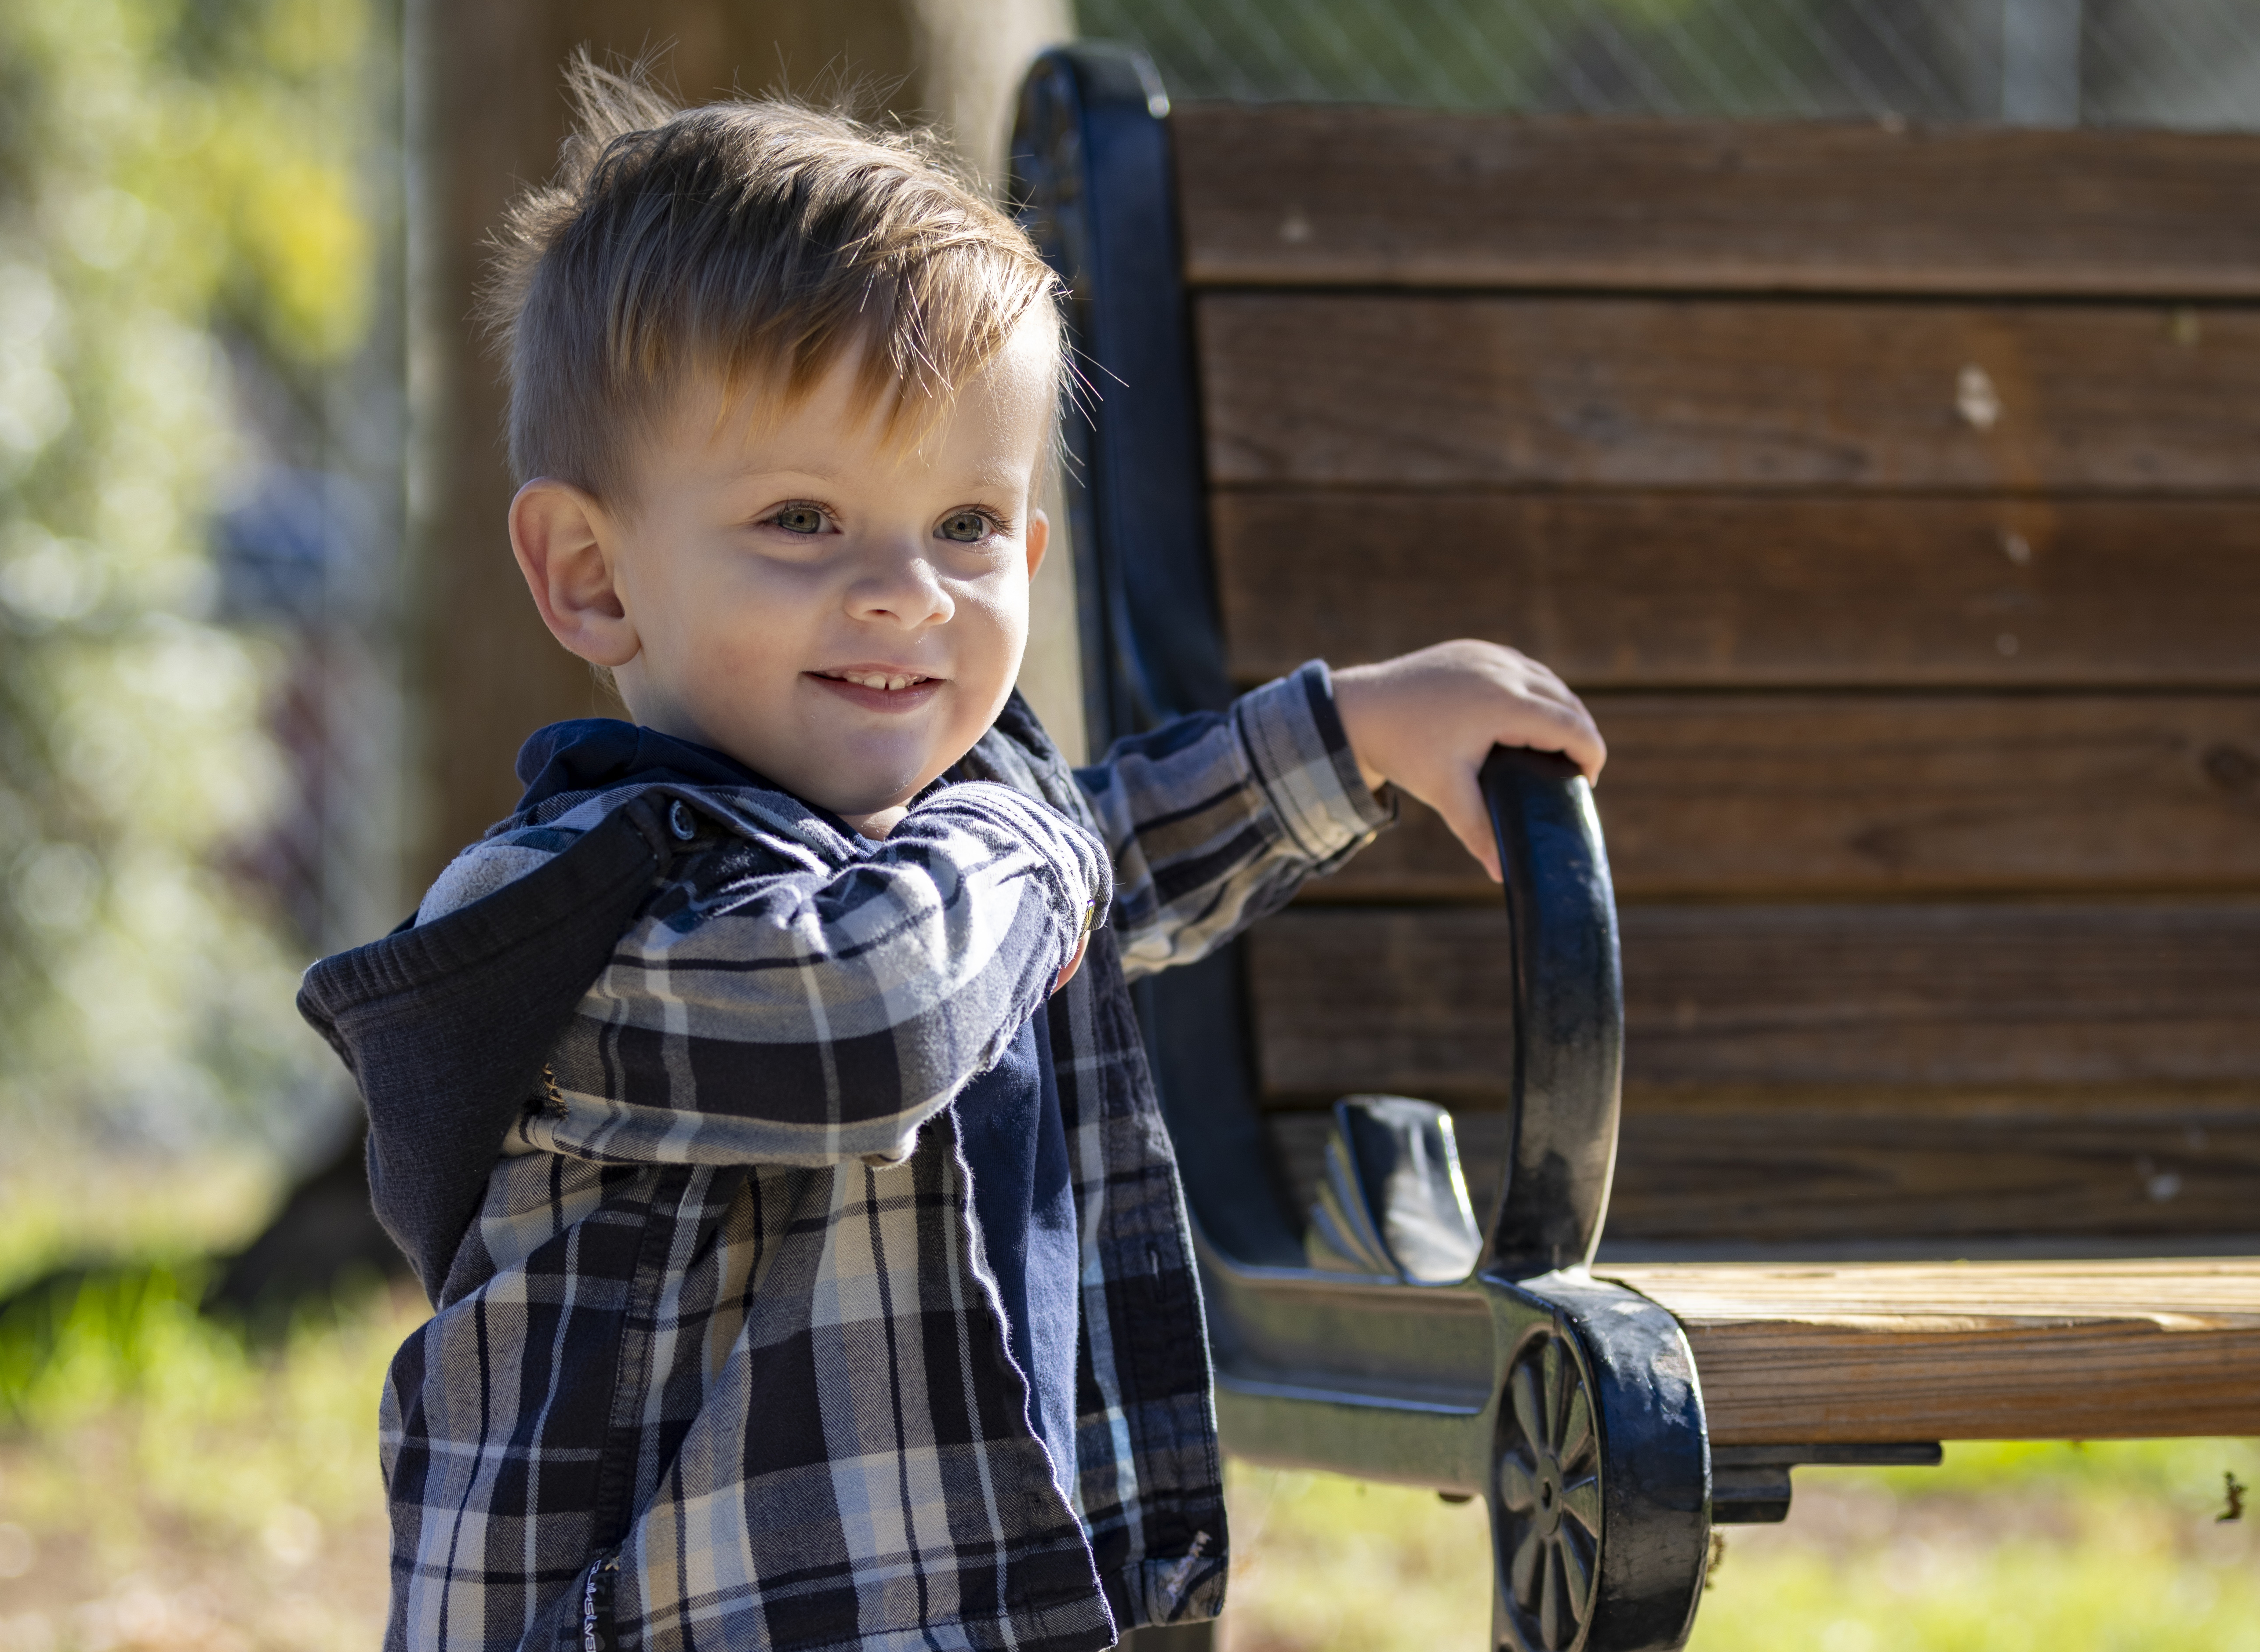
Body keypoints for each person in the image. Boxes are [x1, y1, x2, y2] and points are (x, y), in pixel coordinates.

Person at [298, 56, 1604, 1652]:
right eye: (800, 518)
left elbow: (1089, 861)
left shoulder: (962, 865)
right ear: (591, 574)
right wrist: (1039, 832)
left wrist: (1355, 732)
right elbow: (864, 1017)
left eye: (970, 525)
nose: (909, 591)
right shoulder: (569, 913)